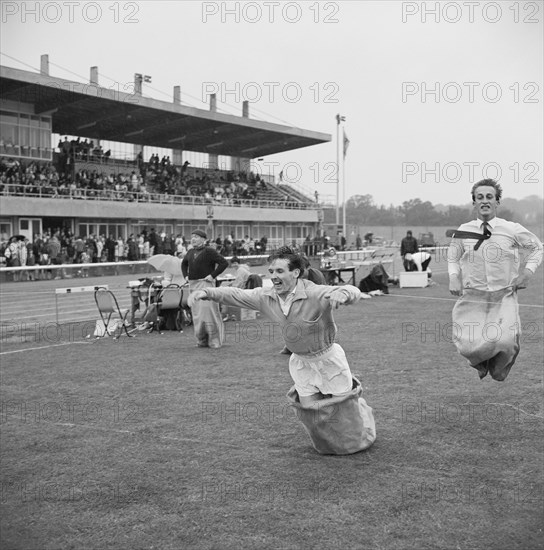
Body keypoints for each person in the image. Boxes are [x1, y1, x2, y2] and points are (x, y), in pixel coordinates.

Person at [189, 250, 376, 455]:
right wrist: (207, 293)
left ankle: (358, 432)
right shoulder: (266, 296)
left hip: (329, 360)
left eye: (280, 270)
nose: (274, 275)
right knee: (313, 414)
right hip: (300, 363)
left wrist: (345, 293)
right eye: (271, 271)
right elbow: (237, 294)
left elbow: (350, 289)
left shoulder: (314, 293)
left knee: (343, 412)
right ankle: (330, 445)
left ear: (295, 273)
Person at [448, 179, 542, 381]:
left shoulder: (512, 229)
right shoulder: (464, 231)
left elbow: (537, 248)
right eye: (479, 197)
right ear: (474, 202)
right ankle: (479, 363)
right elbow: (453, 257)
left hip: (504, 294)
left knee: (505, 340)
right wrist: (454, 278)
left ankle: (500, 368)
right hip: (473, 295)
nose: (484, 201)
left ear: (497, 201)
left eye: (489, 197)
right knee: (465, 344)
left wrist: (526, 273)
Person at [181, 229, 228, 348]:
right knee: (197, 315)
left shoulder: (209, 251)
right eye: (192, 236)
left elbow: (223, 263)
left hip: (206, 285)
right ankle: (201, 341)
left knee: (209, 313)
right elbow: (184, 264)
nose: (193, 239)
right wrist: (185, 276)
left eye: (196, 236)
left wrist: (212, 275)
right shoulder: (190, 252)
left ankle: (214, 341)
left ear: (203, 239)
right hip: (193, 285)